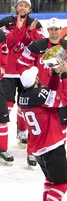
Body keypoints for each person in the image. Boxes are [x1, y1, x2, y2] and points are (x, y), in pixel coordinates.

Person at [17, 17, 67, 166]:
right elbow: (21, 63)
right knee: (37, 126)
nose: (54, 32)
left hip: (60, 90)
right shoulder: (37, 46)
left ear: (60, 30)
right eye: (51, 29)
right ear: (48, 30)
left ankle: (60, 152)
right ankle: (31, 153)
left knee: (62, 125)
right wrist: (31, 81)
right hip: (41, 95)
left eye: (56, 29)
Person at [18, 64, 67, 201]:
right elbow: (66, 96)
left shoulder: (23, 97)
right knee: (61, 185)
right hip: (52, 147)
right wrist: (65, 75)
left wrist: (55, 74)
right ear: (36, 80)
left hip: (38, 149)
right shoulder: (40, 97)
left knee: (50, 181)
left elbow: (49, 91)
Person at [0, 0, 44, 163]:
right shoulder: (5, 23)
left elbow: (37, 45)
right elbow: (7, 43)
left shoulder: (36, 24)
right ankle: (2, 144)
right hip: (9, 72)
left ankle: (22, 130)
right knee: (7, 107)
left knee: (25, 105)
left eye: (26, 6)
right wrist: (18, 30)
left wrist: (30, 33)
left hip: (26, 73)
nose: (23, 8)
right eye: (20, 5)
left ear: (30, 9)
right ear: (16, 7)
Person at [0, 29, 13, 164]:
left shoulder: (0, 35)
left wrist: (2, 67)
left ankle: (2, 148)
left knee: (2, 117)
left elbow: (4, 50)